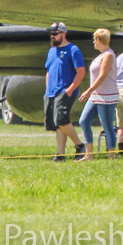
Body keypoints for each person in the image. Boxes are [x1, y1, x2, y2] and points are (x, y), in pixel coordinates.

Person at [44, 22, 86, 162]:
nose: (52, 36)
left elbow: (81, 71)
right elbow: (49, 71)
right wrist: (47, 88)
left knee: (61, 118)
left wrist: (70, 89)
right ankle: (60, 155)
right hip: (51, 91)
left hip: (65, 90)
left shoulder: (73, 50)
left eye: (55, 34)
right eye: (51, 34)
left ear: (63, 34)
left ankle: (80, 146)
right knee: (58, 123)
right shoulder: (51, 51)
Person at [77, 29, 118, 161]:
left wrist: (88, 91)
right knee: (84, 121)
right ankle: (89, 155)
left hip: (106, 96)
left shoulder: (108, 55)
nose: (94, 42)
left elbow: (102, 77)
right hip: (96, 95)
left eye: (95, 40)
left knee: (107, 125)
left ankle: (111, 156)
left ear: (99, 40)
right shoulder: (101, 55)